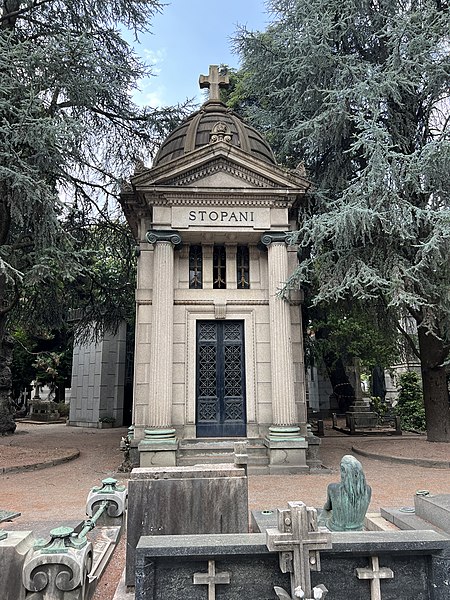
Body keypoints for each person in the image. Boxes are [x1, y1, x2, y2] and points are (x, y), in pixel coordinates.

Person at [319, 454, 371, 531]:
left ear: (344, 470)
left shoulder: (333, 488)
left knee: (320, 516)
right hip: (358, 528)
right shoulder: (368, 490)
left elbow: (328, 507)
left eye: (342, 470)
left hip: (336, 528)